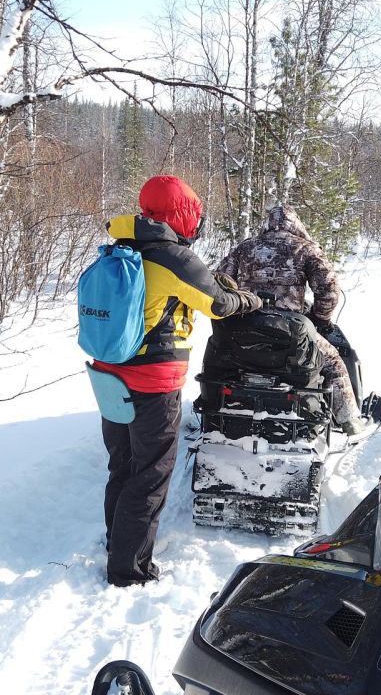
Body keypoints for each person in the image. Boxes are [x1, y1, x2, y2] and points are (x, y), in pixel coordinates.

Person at [92, 175, 261, 587]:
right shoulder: (174, 258)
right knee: (151, 473)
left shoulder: (120, 246)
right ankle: (129, 569)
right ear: (181, 216)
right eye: (195, 216)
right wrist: (251, 300)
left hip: (108, 372)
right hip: (152, 379)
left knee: (124, 464)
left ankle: (118, 542)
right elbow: (219, 305)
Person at [216, 204, 370, 434]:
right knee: (334, 362)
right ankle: (349, 421)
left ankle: (214, 406)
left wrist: (232, 310)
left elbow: (219, 281)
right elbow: (328, 289)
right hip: (290, 332)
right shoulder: (305, 249)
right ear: (296, 224)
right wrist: (320, 319)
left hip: (243, 328)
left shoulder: (244, 248)